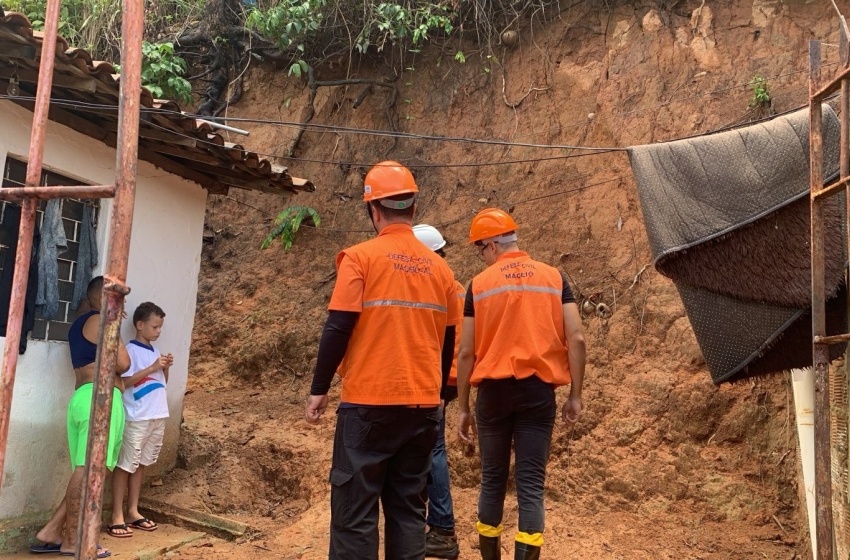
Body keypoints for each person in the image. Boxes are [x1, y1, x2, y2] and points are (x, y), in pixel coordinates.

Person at [305, 161, 461, 560]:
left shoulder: (360, 258)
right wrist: (442, 393)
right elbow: (448, 341)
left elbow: (338, 326)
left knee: (355, 512)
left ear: (373, 210)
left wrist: (319, 389)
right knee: (409, 509)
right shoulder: (441, 270)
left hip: (369, 406)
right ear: (412, 208)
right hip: (423, 408)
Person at [456, 209, 586, 560]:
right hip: (537, 393)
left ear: (492, 245)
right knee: (530, 486)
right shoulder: (554, 278)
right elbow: (576, 339)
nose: (481, 257)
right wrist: (575, 395)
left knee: (492, 481)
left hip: (493, 397)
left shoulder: (479, 285)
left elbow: (466, 352)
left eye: (479, 250)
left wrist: (464, 407)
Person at [31, 276, 130, 558]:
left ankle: (52, 530)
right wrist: (115, 323)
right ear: (105, 297)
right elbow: (124, 363)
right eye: (118, 299)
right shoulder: (101, 320)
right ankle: (74, 540)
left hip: (86, 398)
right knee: (89, 471)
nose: (122, 306)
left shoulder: (82, 323)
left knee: (89, 470)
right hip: (99, 399)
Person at [412, 224, 463, 560]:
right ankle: (431, 524)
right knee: (428, 449)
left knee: (432, 451)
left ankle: (443, 529)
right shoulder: (455, 286)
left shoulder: (432, 287)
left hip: (438, 379)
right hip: (449, 377)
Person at [108, 302, 172, 537]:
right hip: (137, 416)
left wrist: (164, 368)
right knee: (125, 464)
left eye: (160, 328)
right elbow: (124, 382)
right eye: (155, 327)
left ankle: (133, 511)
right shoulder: (130, 352)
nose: (158, 331)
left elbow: (162, 383)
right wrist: (153, 367)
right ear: (140, 325)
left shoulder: (155, 352)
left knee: (141, 464)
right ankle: (117, 514)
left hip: (157, 415)